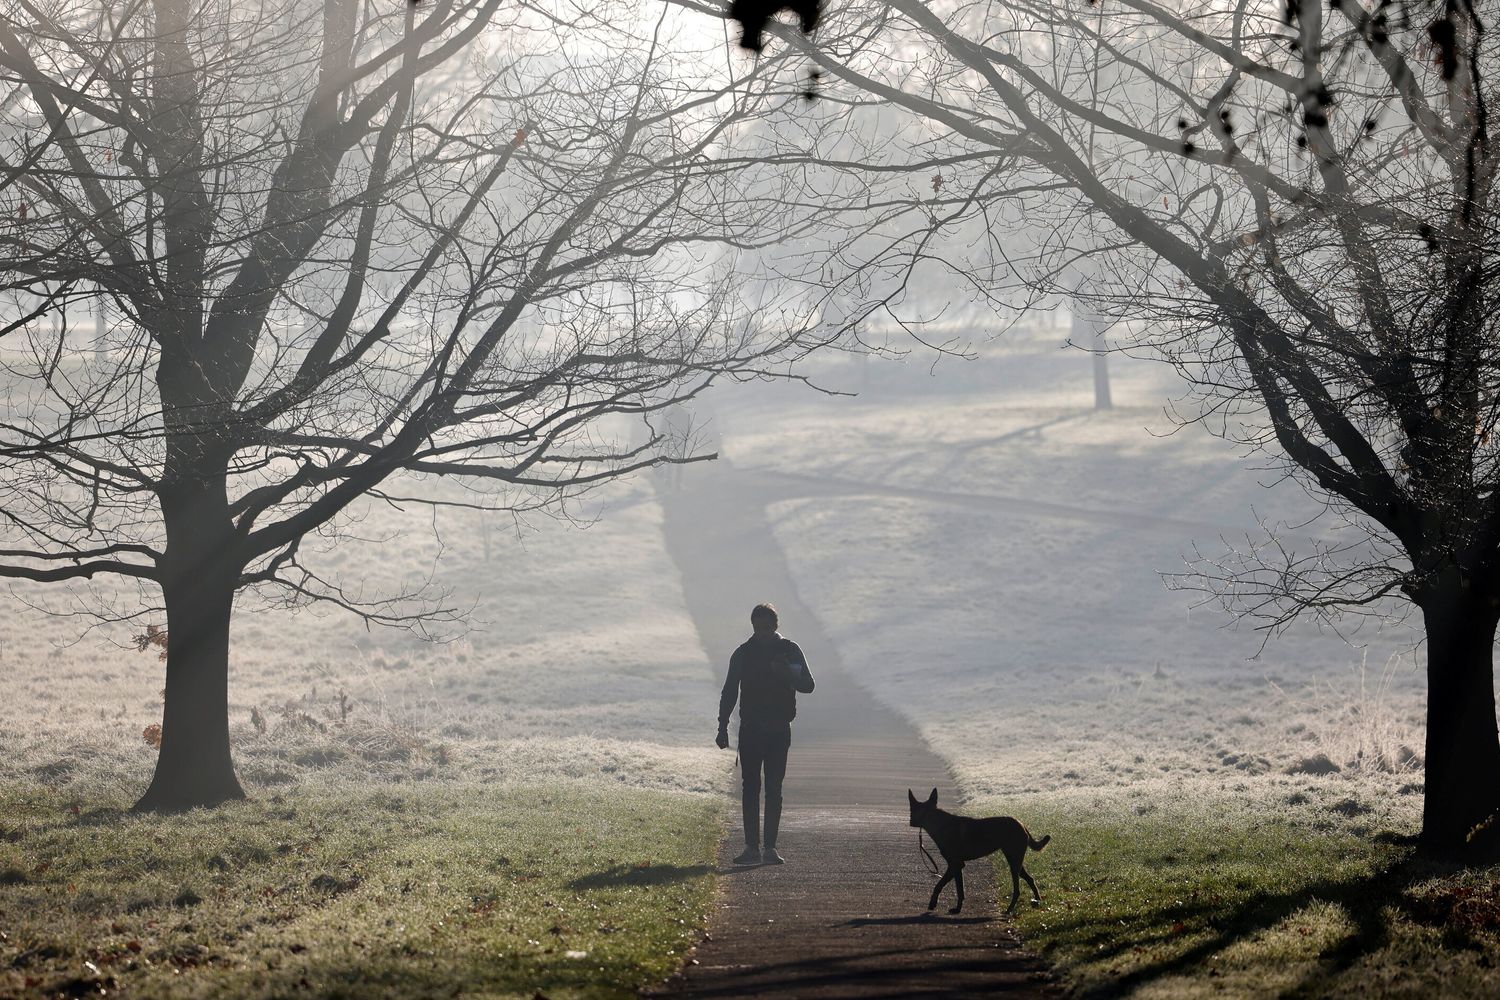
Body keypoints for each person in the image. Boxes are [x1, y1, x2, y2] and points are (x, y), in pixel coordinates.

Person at [716, 603, 815, 865]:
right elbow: (729, 691)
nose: (761, 633)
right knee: (751, 788)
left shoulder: (789, 650)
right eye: (757, 628)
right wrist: (722, 726)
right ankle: (751, 848)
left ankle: (769, 848)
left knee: (773, 787)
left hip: (779, 730)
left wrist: (786, 674)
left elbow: (809, 685)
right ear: (752, 627)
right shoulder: (743, 653)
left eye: (766, 628)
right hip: (750, 730)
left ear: (775, 626)